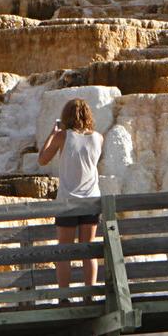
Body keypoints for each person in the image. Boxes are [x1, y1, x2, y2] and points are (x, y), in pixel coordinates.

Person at [38, 98, 103, 294]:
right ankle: (89, 295)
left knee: (64, 252)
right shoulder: (99, 137)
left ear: (66, 117)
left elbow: (42, 160)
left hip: (68, 201)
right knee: (88, 251)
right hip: (91, 200)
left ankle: (64, 297)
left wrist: (52, 134)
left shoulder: (63, 137)